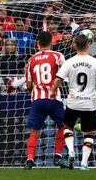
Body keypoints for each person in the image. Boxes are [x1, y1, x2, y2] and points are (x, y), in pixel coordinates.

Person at [51, 30, 96, 170]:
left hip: (73, 102)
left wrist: (53, 92)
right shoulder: (95, 62)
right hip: (89, 103)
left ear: (74, 45)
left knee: (67, 127)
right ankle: (83, 163)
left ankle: (71, 150)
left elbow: (58, 79)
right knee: (88, 134)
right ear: (88, 46)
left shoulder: (69, 62)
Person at [24, 31, 68, 170]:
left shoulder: (31, 60)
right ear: (52, 42)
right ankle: (57, 156)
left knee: (34, 131)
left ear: (38, 43)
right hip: (53, 98)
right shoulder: (57, 56)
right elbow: (65, 73)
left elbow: (29, 85)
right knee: (64, 126)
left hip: (37, 99)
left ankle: (30, 159)